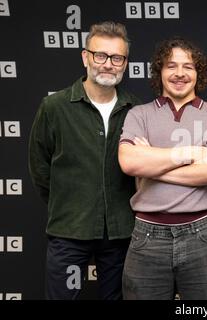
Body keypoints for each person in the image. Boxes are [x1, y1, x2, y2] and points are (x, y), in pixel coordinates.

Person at [28, 21, 140, 299]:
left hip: (120, 234)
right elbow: (40, 167)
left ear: (125, 63)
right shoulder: (54, 107)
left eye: (117, 58)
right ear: (85, 56)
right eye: (100, 55)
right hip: (70, 232)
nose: (108, 64)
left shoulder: (136, 111)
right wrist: (69, 202)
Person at [119, 37, 207, 300]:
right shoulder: (139, 114)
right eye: (171, 66)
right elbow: (129, 162)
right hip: (147, 235)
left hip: (202, 234)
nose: (180, 73)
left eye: (188, 67)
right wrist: (190, 154)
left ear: (199, 74)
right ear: (159, 71)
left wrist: (151, 162)